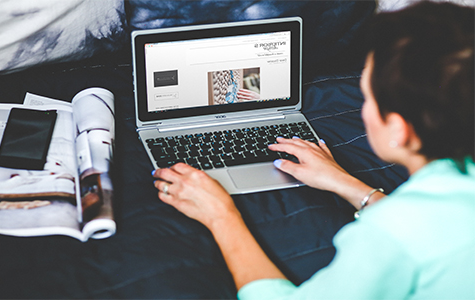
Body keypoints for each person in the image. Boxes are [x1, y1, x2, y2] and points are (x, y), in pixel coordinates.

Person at [152, 2, 475, 299]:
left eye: (369, 97)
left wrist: (221, 215)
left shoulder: (387, 236)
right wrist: (346, 184)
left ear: (399, 130)